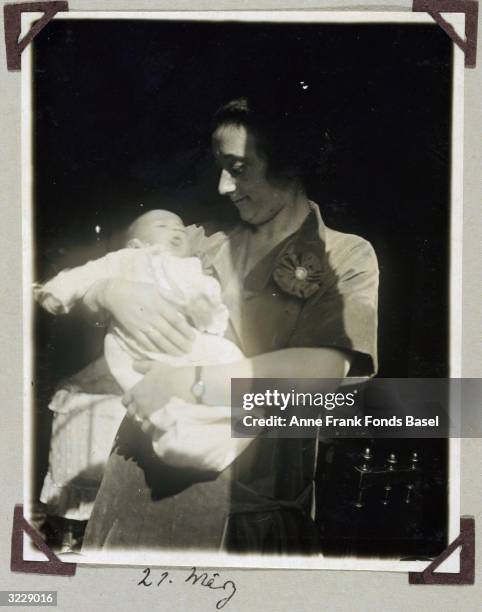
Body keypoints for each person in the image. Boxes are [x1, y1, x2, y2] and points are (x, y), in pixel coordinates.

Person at [79, 96, 378, 554]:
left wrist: (187, 381)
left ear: (290, 163)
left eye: (237, 168)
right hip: (138, 483)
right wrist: (107, 293)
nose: (222, 186)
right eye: (220, 166)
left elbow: (319, 372)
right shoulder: (200, 242)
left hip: (247, 506)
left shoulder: (345, 257)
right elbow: (86, 285)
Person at [36, 209, 245, 547]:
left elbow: (208, 303)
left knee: (230, 361)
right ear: (136, 242)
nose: (176, 232)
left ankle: (215, 440)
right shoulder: (126, 260)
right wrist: (76, 292)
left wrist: (207, 313)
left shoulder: (191, 265)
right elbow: (85, 275)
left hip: (187, 346)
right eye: (163, 227)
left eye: (179, 228)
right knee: (153, 399)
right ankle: (179, 441)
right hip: (138, 352)